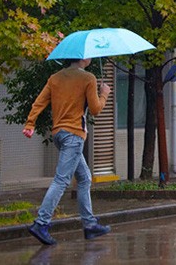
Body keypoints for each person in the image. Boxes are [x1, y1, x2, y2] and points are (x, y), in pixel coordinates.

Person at [22, 58, 112, 246]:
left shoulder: (55, 78)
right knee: (62, 180)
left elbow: (39, 102)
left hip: (58, 134)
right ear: (83, 58)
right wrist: (104, 94)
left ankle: (89, 225)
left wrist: (30, 123)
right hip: (74, 136)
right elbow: (95, 109)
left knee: (85, 177)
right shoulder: (88, 78)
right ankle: (41, 223)